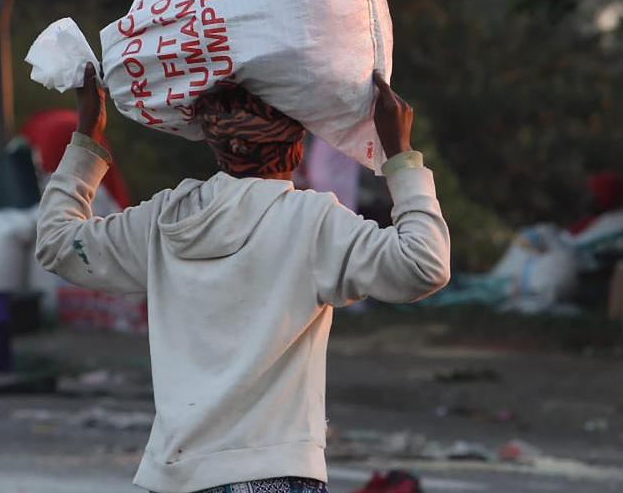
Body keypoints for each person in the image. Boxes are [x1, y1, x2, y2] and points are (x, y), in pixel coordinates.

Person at [36, 65, 450, 493]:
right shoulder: (312, 223)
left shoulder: (166, 219)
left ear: (214, 142)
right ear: (296, 141)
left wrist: (87, 137)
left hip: (173, 476)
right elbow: (424, 265)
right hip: (275, 474)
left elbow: (57, 244)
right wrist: (400, 156)